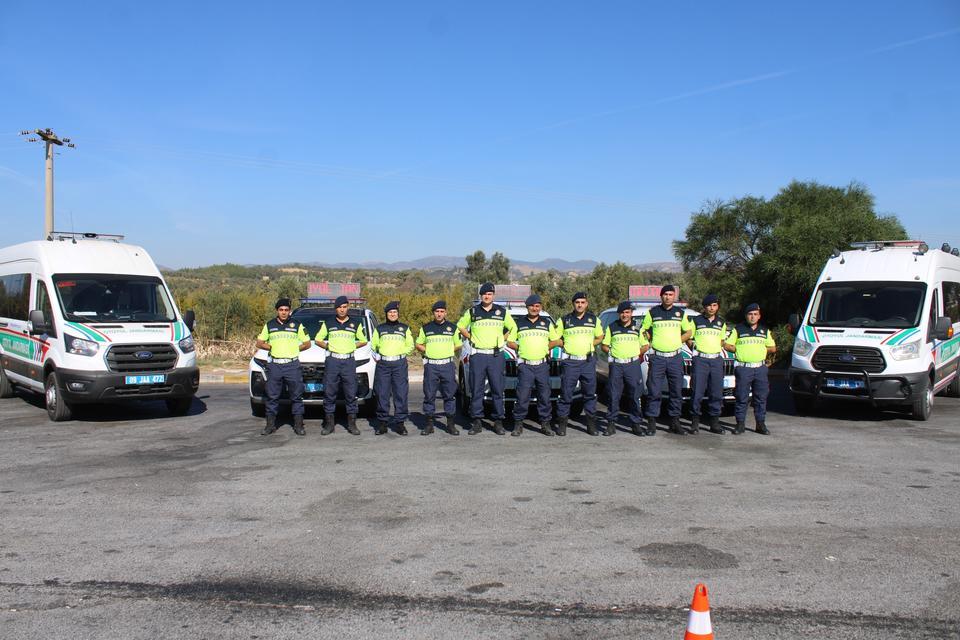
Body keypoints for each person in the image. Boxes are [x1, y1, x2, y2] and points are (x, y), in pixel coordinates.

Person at [457, 283, 518, 435]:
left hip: (496, 356)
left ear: (493, 295)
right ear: (480, 295)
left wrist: (503, 339)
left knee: (497, 390)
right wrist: (471, 337)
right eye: (484, 294)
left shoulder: (502, 311)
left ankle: (498, 421)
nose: (487, 296)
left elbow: (513, 327)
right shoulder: (472, 311)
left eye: (490, 294)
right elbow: (460, 326)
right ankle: (476, 422)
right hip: (478, 355)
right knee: (476, 390)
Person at [506, 294, 562, 436]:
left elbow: (556, 340)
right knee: (522, 396)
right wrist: (521, 347)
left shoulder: (547, 323)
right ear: (527, 307)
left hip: (542, 366)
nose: (534, 308)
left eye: (537, 306)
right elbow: (510, 342)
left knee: (544, 396)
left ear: (540, 307)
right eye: (532, 306)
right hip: (525, 366)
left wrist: (545, 347)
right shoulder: (519, 323)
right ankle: (518, 425)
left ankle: (545, 424)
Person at [642, 285, 694, 435]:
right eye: (665, 294)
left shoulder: (680, 313)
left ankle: (674, 422)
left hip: (675, 358)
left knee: (676, 391)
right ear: (661, 296)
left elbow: (689, 331)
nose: (668, 297)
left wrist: (679, 340)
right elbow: (644, 330)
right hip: (657, 357)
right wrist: (650, 340)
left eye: (671, 294)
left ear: (674, 297)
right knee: (654, 391)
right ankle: (651, 422)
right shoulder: (652, 313)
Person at [255, 298, 311, 436]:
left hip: (292, 365)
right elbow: (259, 342)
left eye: (286, 310)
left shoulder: (297, 324)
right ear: (277, 311)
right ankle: (270, 425)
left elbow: (307, 343)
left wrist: (294, 349)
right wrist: (272, 347)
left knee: (296, 396)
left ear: (289, 311)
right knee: (272, 396)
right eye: (281, 310)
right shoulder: (270, 325)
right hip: (275, 365)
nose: (284, 312)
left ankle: (298, 426)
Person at [315, 295, 367, 435]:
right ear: (336, 309)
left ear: (348, 307)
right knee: (329, 393)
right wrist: (328, 346)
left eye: (344, 307)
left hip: (349, 361)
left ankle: (352, 424)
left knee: (351, 393)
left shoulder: (355, 323)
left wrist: (352, 346)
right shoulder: (328, 323)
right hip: (333, 361)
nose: (342, 310)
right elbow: (318, 339)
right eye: (339, 307)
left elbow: (363, 340)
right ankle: (329, 425)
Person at [555, 292, 603, 436]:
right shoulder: (564, 320)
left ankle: (591, 425)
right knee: (566, 394)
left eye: (583, 302)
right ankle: (562, 425)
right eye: (577, 302)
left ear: (587, 304)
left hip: (587, 361)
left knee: (589, 394)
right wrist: (566, 344)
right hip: (570, 362)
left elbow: (600, 336)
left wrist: (590, 344)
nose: (580, 305)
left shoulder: (594, 320)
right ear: (573, 304)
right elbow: (555, 337)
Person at [724, 303, 776, 435]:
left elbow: (773, 348)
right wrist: (739, 349)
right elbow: (727, 345)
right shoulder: (738, 329)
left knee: (761, 398)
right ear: (746, 316)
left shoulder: (764, 331)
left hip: (760, 368)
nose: (752, 317)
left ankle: (760, 424)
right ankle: (740, 424)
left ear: (759, 316)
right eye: (750, 314)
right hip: (744, 368)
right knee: (741, 397)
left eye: (755, 314)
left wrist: (762, 350)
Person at [601, 301, 649, 436]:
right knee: (614, 395)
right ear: (619, 314)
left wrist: (634, 354)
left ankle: (636, 424)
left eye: (627, 312)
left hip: (632, 365)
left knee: (635, 395)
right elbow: (604, 345)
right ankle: (611, 424)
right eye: (622, 312)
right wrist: (611, 352)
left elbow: (645, 346)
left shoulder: (638, 328)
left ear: (631, 313)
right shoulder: (612, 327)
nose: (625, 315)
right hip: (616, 365)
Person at [416, 300, 463, 435]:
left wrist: (447, 350)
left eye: (442, 311)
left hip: (447, 365)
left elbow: (458, 344)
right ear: (433, 313)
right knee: (429, 395)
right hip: (431, 366)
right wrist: (428, 350)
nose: (439, 314)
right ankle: (429, 424)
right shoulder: (426, 328)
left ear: (445, 313)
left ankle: (450, 424)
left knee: (449, 395)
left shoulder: (452, 328)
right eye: (437, 311)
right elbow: (418, 344)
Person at [370, 301, 414, 435]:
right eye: (390, 312)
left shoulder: (404, 328)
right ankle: (383, 423)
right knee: (382, 393)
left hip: (399, 364)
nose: (393, 314)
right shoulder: (380, 329)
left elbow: (410, 345)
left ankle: (400, 423)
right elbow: (373, 346)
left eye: (395, 312)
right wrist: (378, 357)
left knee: (400, 393)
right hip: (383, 364)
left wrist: (401, 354)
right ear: (386, 314)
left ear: (398, 314)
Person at [687, 294, 727, 434]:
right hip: (701, 360)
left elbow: (722, 341)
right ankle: (695, 423)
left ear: (717, 307)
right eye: (709, 305)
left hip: (716, 360)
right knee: (697, 391)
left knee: (716, 392)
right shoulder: (696, 320)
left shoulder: (721, 322)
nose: (712, 308)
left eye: (715, 305)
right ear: (704, 307)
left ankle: (714, 423)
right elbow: (689, 338)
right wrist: (696, 348)